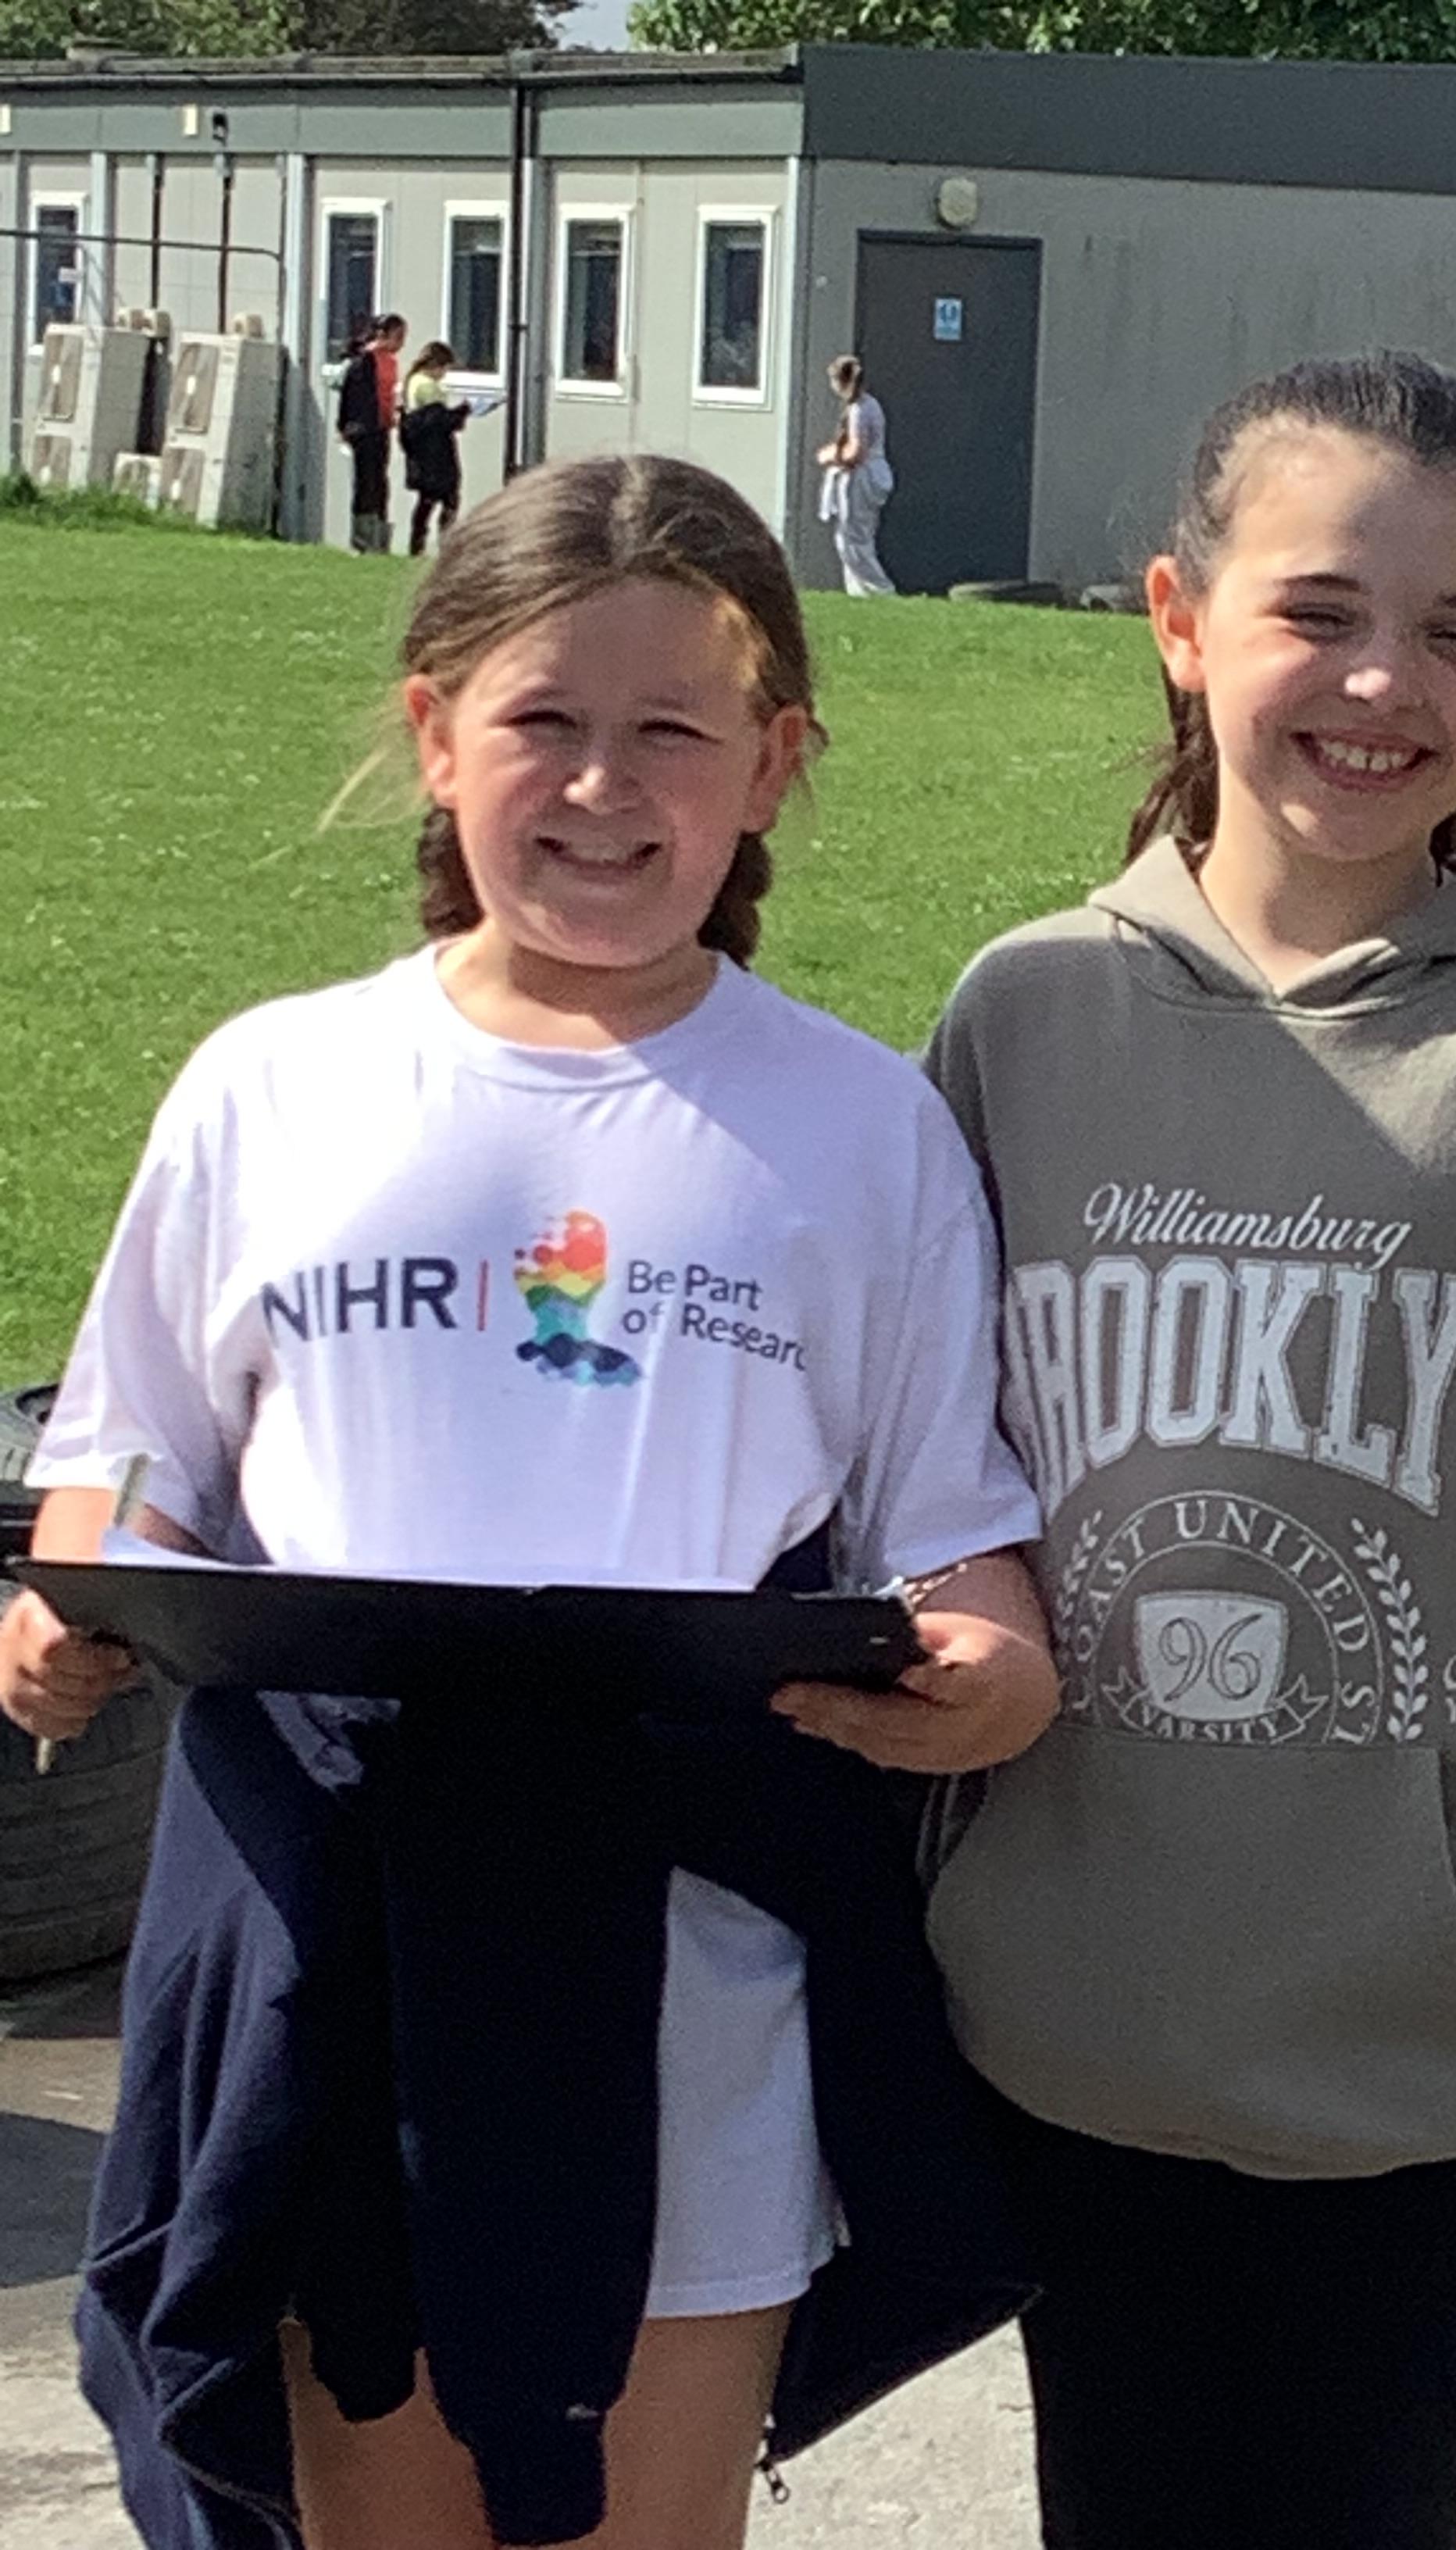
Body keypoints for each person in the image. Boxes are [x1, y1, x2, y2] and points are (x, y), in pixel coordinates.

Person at [0, 452, 1056, 2550]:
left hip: (683, 1971)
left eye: (670, 730)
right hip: (332, 1939)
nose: (599, 785)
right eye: (542, 720)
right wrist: (59, 1613)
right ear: (432, 731)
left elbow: (961, 1546)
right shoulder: (275, 1087)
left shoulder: (855, 1131)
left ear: (772, 764)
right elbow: (123, 1472)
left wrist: (986, 1677)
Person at [899, 351, 1456, 2548]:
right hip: (1058, 2040)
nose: (1382, 682)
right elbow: (911, 1506)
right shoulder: (1024, 1019)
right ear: (1179, 622)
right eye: (1315, 611)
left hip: (1422, 2075)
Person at [815, 355, 896, 597]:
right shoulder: (870, 404)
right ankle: (857, 592)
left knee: (853, 540)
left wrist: (829, 456)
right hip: (871, 473)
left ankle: (879, 590)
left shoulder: (859, 410)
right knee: (856, 537)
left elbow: (856, 452)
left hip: (860, 477)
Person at [337, 311, 406, 555]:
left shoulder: (391, 362)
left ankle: (380, 539)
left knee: (380, 482)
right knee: (366, 482)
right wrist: (347, 427)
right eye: (398, 336)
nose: (401, 343)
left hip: (382, 428)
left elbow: (388, 394)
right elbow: (352, 398)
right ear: (382, 335)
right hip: (365, 429)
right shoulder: (363, 361)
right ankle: (362, 540)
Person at [398, 340, 470, 557]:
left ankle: (417, 544)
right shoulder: (427, 386)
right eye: (445, 369)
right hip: (435, 453)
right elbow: (438, 419)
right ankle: (444, 543)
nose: (444, 375)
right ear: (436, 366)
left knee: (426, 501)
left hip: (422, 453)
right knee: (447, 499)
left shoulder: (412, 381)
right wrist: (463, 411)